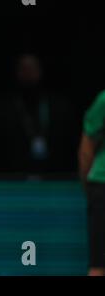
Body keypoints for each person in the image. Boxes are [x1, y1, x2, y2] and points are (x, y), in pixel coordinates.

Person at [78, 89, 105, 276]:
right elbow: (87, 146)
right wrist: (88, 185)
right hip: (102, 185)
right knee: (98, 265)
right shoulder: (104, 100)